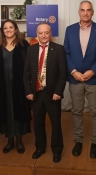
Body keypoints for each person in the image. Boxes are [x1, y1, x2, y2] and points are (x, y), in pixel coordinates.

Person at [64, 0, 96, 159]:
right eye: (82, 10)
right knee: (76, 111)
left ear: (93, 12)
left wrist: (93, 71)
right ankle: (78, 141)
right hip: (75, 78)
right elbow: (66, 53)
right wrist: (74, 71)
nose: (85, 13)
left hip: (94, 79)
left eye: (88, 10)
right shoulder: (69, 30)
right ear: (78, 12)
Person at [23, 22, 67, 163]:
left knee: (55, 123)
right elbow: (26, 73)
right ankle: (40, 147)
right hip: (36, 93)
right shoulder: (31, 50)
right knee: (38, 123)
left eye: (46, 33)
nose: (43, 35)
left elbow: (62, 74)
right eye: (40, 33)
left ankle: (57, 150)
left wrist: (58, 92)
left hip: (53, 94)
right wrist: (28, 91)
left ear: (50, 33)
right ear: (37, 33)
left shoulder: (59, 49)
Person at [0, 20, 31, 154]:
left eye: (10, 27)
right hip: (3, 85)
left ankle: (19, 141)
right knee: (6, 112)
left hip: (19, 85)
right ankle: (10, 141)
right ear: (2, 31)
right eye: (5, 28)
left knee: (19, 111)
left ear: (16, 29)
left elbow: (29, 67)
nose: (8, 30)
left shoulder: (24, 45)